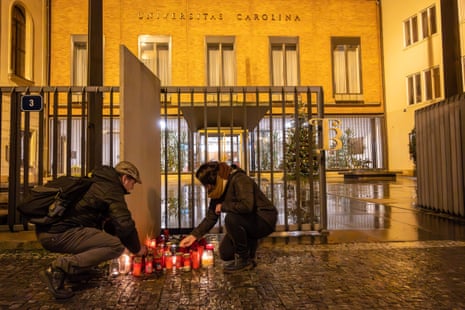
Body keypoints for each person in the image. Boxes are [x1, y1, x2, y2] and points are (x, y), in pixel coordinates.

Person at [36, 161, 147, 299]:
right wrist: (136, 248)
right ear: (125, 178)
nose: (132, 187)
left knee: (106, 240)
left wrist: (126, 241)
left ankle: (76, 272)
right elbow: (125, 224)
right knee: (114, 246)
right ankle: (58, 269)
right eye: (133, 183)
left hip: (53, 231)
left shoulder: (100, 184)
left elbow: (110, 224)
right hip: (57, 234)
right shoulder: (111, 189)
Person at [179, 161, 277, 273]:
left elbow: (247, 206)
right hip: (248, 220)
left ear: (213, 179)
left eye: (206, 184)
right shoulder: (218, 188)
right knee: (226, 253)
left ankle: (244, 260)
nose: (206, 188)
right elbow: (211, 217)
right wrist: (193, 236)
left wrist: (224, 206)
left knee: (231, 218)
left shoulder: (240, 179)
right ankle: (250, 246)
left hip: (263, 219)